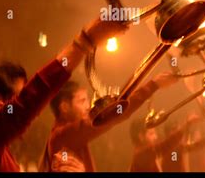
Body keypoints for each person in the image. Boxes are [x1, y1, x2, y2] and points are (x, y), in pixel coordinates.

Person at [0, 18, 127, 172]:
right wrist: (85, 41)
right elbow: (27, 104)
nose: (32, 116)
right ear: (1, 106)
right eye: (20, 96)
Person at [40, 72, 179, 172]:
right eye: (82, 101)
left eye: (87, 100)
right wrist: (153, 85)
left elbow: (115, 111)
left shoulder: (69, 135)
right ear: (64, 107)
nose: (88, 106)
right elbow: (115, 114)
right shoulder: (63, 135)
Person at [129, 114, 199, 172]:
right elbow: (166, 145)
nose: (155, 137)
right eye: (151, 134)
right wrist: (186, 125)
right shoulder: (142, 154)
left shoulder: (143, 153)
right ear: (141, 136)